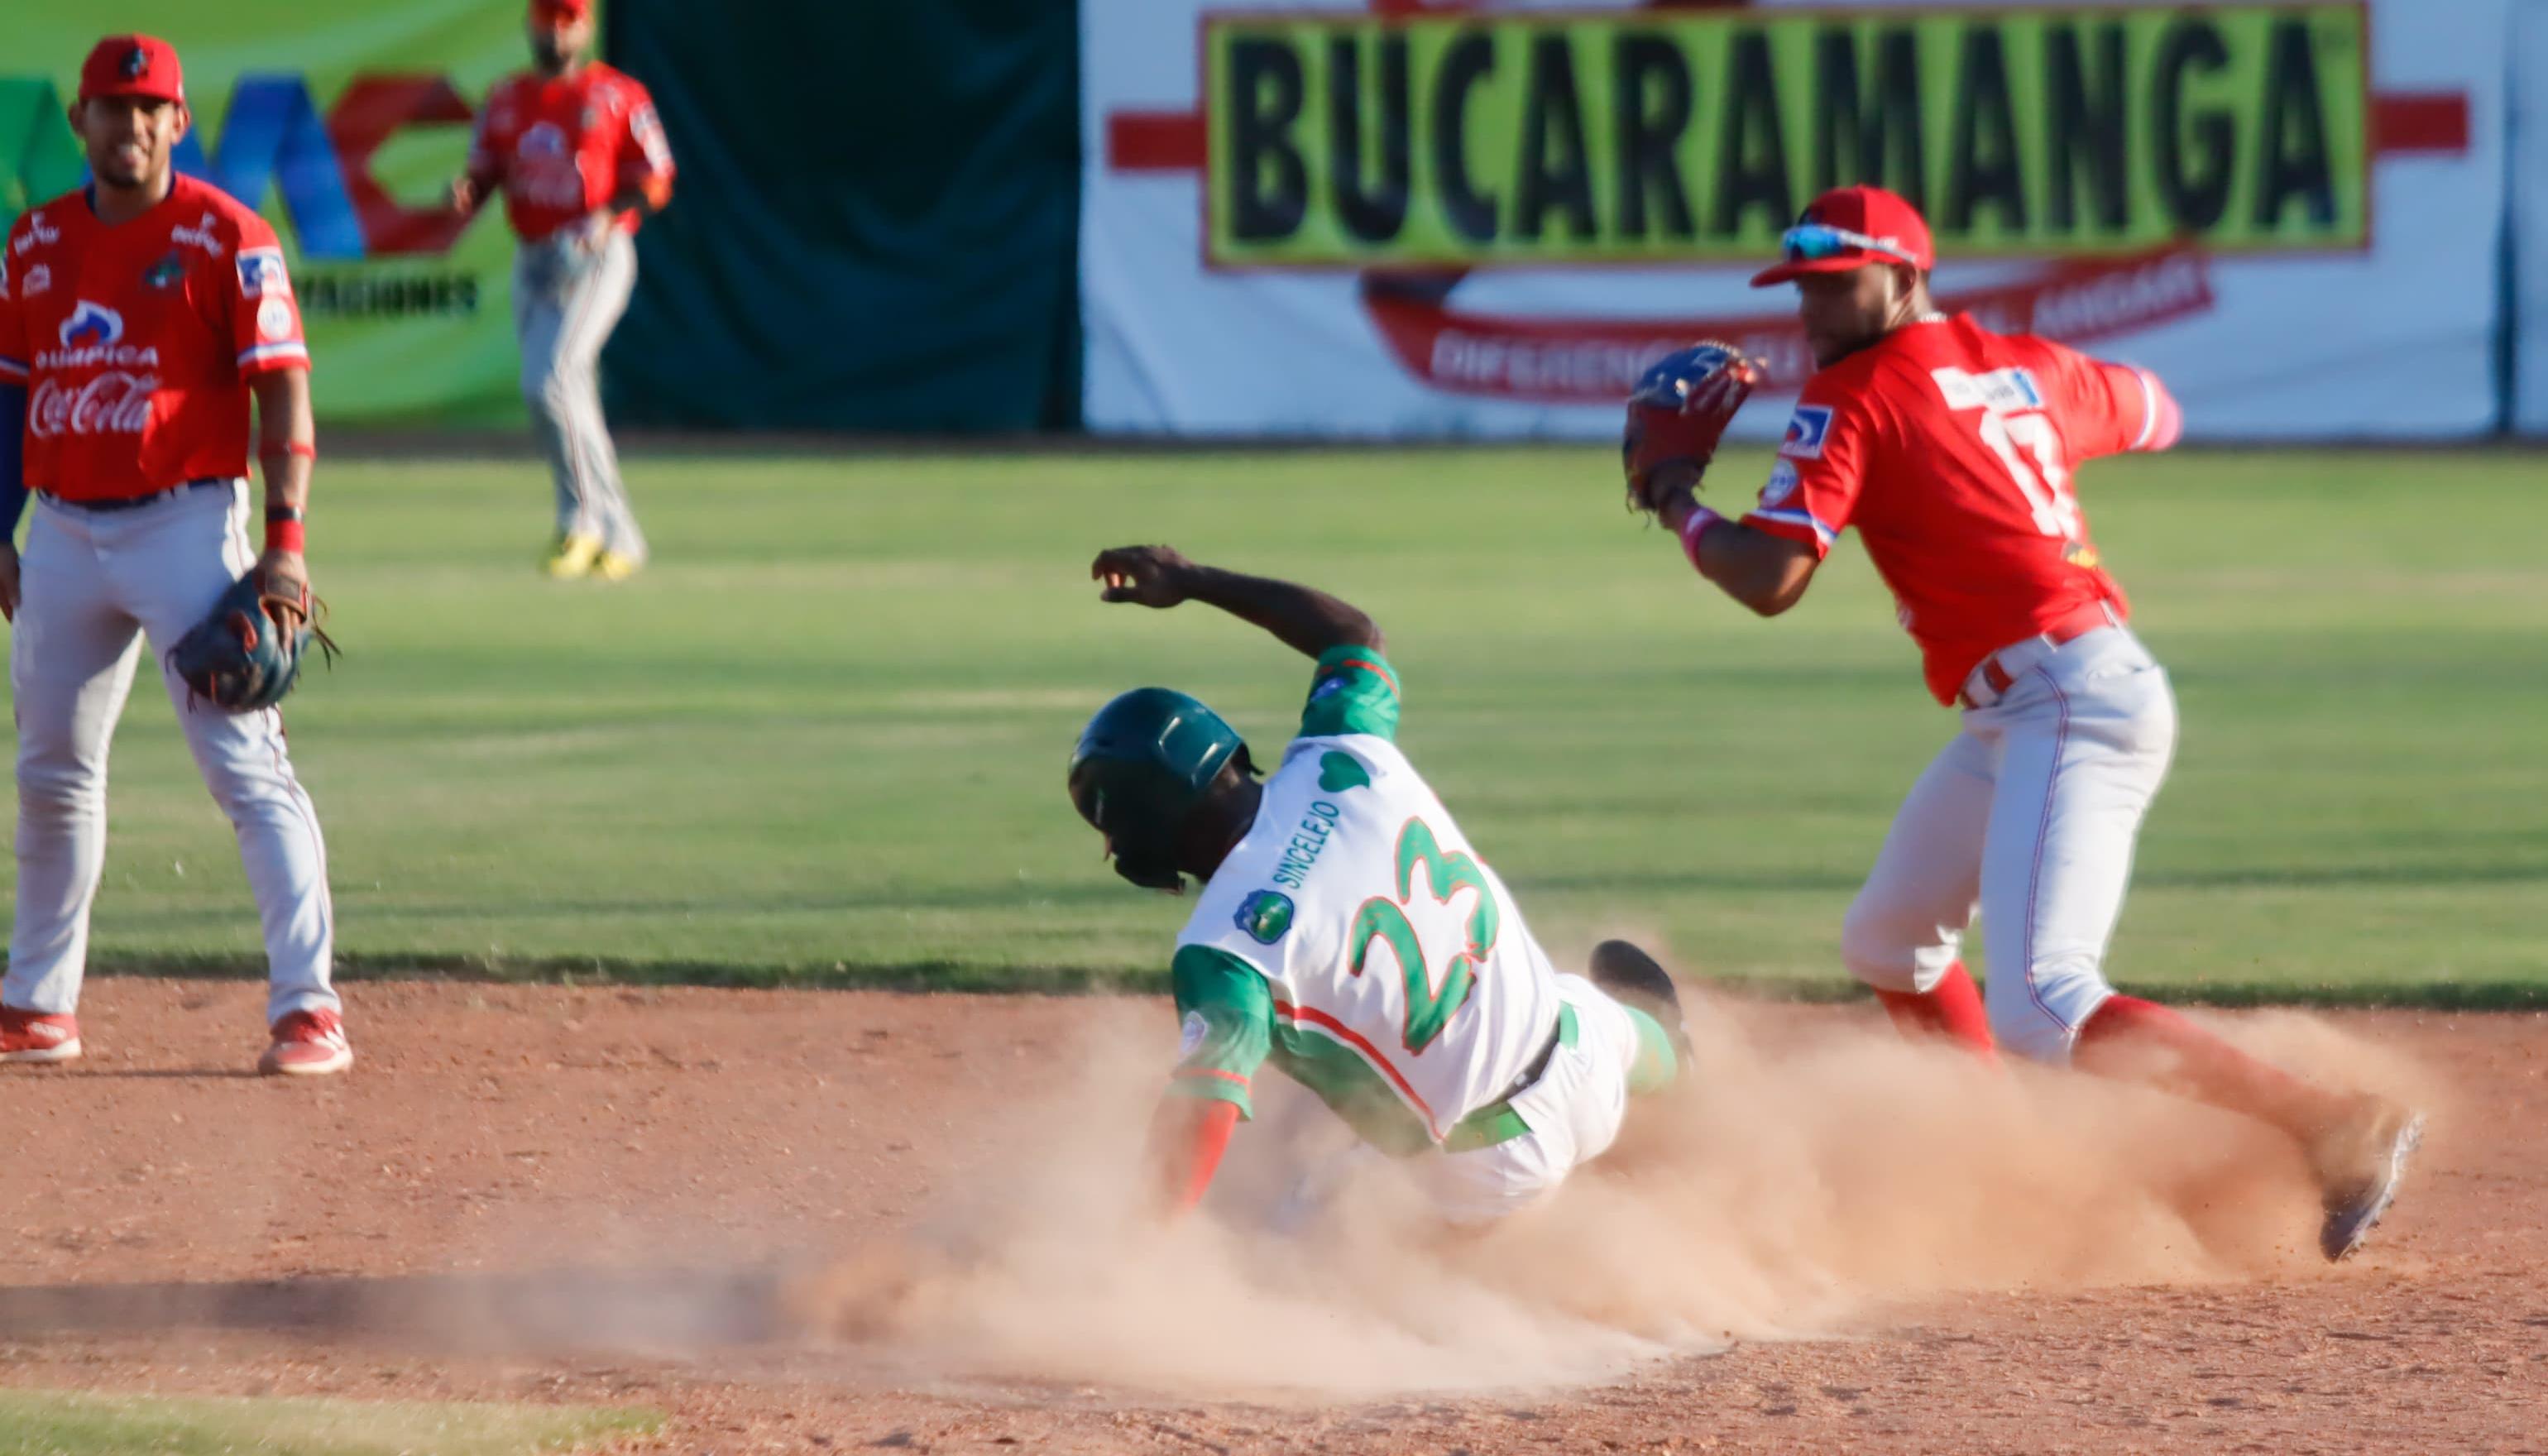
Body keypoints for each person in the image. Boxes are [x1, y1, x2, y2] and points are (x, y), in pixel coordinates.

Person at [1618, 184, 2417, 1261]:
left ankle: (2337, 1127)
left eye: (1833, 281)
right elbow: (2153, 408)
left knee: (2045, 1000)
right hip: (2041, 697)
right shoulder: (2030, 366)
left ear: (1905, 276)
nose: (1809, 308)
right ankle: (2005, 1156)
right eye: (1798, 286)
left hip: (2066, 699)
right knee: (1891, 941)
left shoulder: (1852, 397)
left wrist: (1676, 495)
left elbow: (1770, 578)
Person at [1068, 545, 1690, 1227]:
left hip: (1487, 1174)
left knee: (1270, 1251)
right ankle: (1667, 1050)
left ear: (1147, 835)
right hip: (1584, 1056)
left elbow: (1206, 1102)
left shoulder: (1224, 949)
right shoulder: (1345, 752)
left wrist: (1133, 1251)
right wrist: (1192, 580)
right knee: (1590, 1017)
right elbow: (1353, 636)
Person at [0, 35, 347, 1075]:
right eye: (113, 106)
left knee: (244, 765)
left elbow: (282, 384)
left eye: (151, 107)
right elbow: (10, 394)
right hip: (60, 529)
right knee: (52, 770)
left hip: (183, 525)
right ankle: (37, 1001)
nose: (131, 124)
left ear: (179, 123)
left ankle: (307, 1004)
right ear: (81, 122)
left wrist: (283, 545)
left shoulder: (226, 237)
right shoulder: (34, 244)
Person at [450, 0, 674, 582]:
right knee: (567, 393)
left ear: (587, 26)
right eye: (547, 17)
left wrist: (608, 215)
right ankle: (618, 532)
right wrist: (470, 191)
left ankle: (583, 522)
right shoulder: (506, 98)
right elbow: (486, 170)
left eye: (567, 18)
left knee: (548, 380)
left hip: (594, 254)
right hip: (535, 256)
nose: (555, 30)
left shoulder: (617, 95)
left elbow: (656, 177)